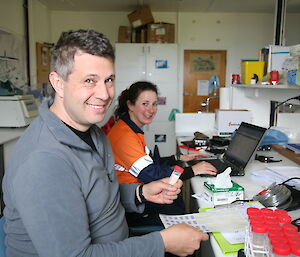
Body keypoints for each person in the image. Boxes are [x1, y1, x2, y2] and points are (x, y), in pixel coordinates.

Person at [2, 29, 209, 257]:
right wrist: (162, 243)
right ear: (58, 83)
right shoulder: (43, 160)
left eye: (109, 80)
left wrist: (140, 192)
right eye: (89, 80)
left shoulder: (93, 132)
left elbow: (96, 192)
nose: (104, 93)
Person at [108, 81, 217, 226]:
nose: (151, 110)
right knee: (179, 207)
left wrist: (177, 159)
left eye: (154, 104)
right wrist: (193, 170)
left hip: (140, 193)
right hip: (133, 206)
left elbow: (148, 163)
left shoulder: (130, 128)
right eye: (145, 104)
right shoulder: (125, 136)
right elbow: (153, 174)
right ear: (130, 105)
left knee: (178, 200)